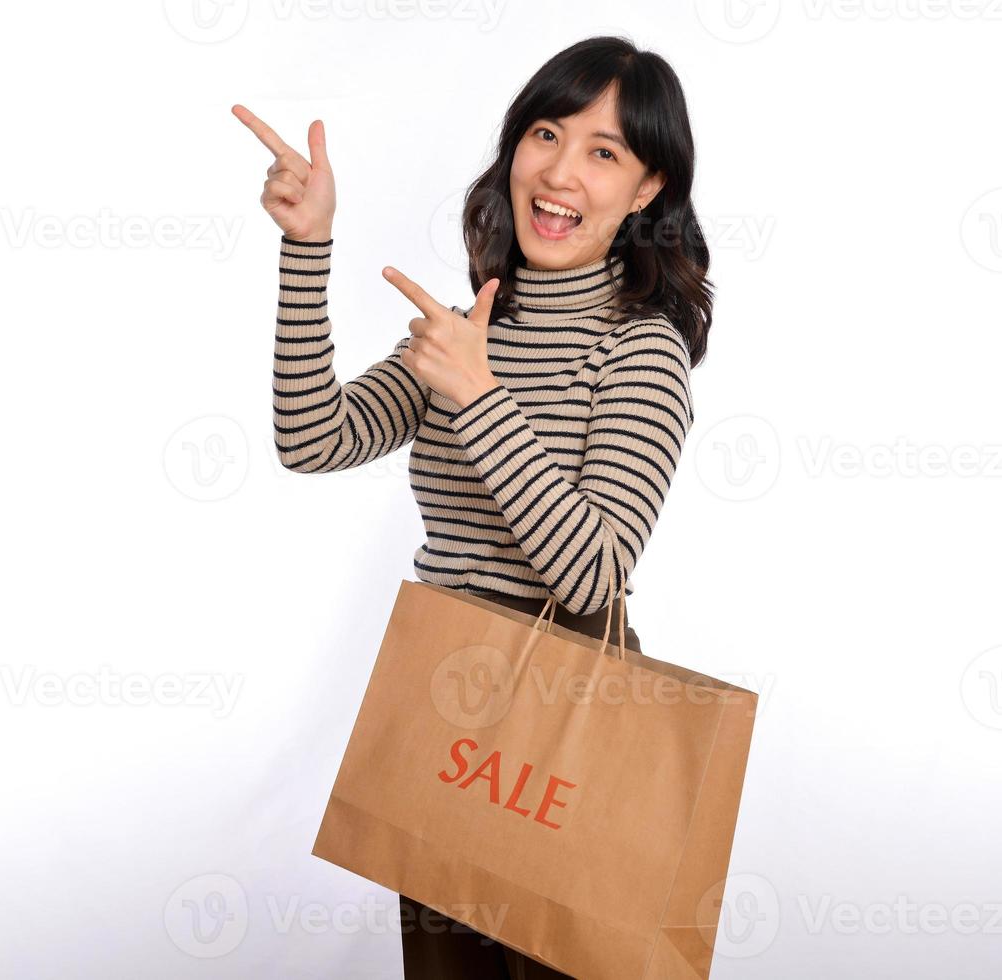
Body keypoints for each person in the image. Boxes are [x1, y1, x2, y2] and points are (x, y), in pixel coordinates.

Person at [236, 33, 713, 979]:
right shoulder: (469, 331)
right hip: (446, 701)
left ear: (648, 188)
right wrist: (308, 250)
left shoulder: (640, 350)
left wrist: (479, 396)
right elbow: (311, 439)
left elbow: (593, 568)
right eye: (546, 134)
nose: (561, 172)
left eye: (604, 151)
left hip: (563, 714)